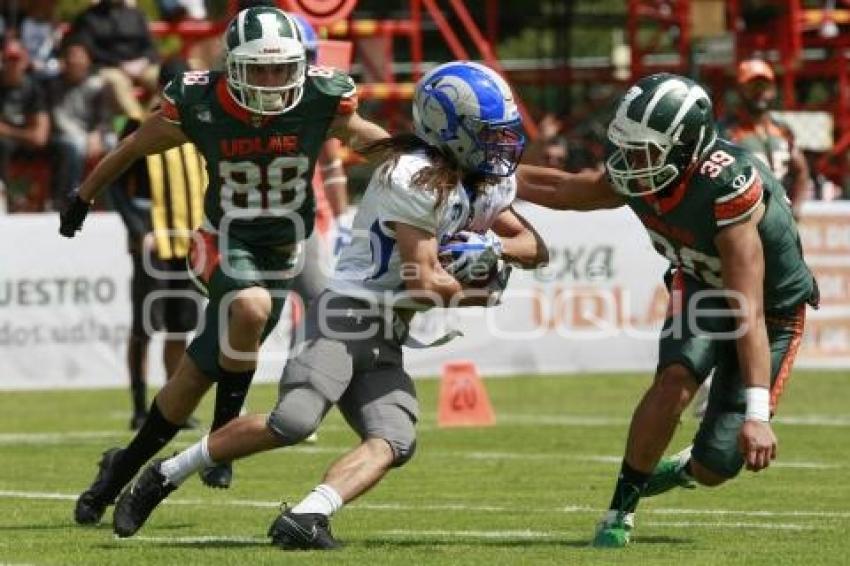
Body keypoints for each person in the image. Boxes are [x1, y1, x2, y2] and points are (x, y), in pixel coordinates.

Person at [105, 61, 548, 548]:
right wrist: (476, 285)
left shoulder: (472, 179)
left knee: (395, 439)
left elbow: (534, 246)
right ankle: (163, 474)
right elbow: (424, 282)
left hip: (387, 332)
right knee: (292, 421)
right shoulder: (414, 176)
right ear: (450, 129)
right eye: (488, 134)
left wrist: (491, 251)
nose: (499, 146)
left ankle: (306, 516)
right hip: (345, 317)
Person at [60, 6, 389, 526]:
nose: (271, 80)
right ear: (232, 67)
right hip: (222, 240)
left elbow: (367, 138)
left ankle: (113, 476)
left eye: (281, 68)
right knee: (252, 308)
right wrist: (83, 196)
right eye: (258, 68)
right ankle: (224, 437)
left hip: (282, 250)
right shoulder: (200, 102)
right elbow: (131, 148)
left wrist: (423, 162)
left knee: (190, 380)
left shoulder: (322, 100)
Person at [516, 73, 819, 547]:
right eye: (628, 147)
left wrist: (757, 415)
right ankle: (620, 509)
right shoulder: (646, 172)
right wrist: (480, 176)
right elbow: (566, 190)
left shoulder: (726, 189)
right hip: (702, 284)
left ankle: (684, 467)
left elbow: (749, 313)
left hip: (770, 311)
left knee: (717, 465)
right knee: (675, 379)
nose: (631, 162)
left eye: (645, 151)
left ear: (687, 148)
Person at [108, 58, 205, 431]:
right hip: (155, 239)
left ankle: (171, 408)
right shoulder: (137, 124)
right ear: (164, 87)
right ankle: (138, 405)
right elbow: (115, 181)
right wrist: (137, 227)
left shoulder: (199, 127)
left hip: (191, 240)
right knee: (144, 327)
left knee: (181, 327)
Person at [721, 59, 809, 220]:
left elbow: (801, 170)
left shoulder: (783, 129)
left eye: (764, 86)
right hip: (745, 217)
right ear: (740, 90)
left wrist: (796, 208)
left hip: (781, 215)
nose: (759, 92)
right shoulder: (727, 131)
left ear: (773, 90)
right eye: (753, 86)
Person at [45, 38, 112, 210]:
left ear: (88, 60)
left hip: (91, 135)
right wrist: (83, 138)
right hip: (63, 136)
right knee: (75, 146)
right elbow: (56, 118)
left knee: (114, 144)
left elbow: (104, 118)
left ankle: (113, 201)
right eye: (71, 56)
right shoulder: (53, 85)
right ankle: (71, 201)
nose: (74, 60)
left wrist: (97, 134)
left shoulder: (97, 85)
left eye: (79, 56)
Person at [65, 0, 160, 121]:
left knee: (166, 80)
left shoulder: (136, 14)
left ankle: (151, 121)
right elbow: (89, 50)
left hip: (140, 65)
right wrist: (120, 64)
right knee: (118, 81)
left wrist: (144, 61)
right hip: (107, 67)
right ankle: (138, 124)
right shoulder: (88, 18)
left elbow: (150, 46)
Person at [0, 38, 49, 210]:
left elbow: (40, 137)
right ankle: (5, 197)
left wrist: (6, 130)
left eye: (17, 59)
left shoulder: (34, 89)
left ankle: (59, 203)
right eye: (8, 60)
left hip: (27, 144)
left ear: (25, 61)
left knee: (67, 147)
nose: (12, 65)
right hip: (7, 145)